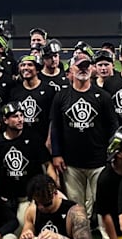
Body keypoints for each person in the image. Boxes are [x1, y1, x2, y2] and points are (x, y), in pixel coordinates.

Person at [49, 52, 117, 218]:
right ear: (71, 69)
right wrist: (56, 154)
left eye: (87, 66)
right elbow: (55, 128)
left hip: (99, 160)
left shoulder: (103, 96)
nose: (83, 70)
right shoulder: (61, 96)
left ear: (92, 69)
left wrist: (111, 154)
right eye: (79, 66)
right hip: (71, 162)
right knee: (75, 205)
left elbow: (113, 127)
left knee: (101, 203)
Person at [0, 101, 53, 231]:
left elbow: (48, 164)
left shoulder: (33, 138)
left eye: (21, 115)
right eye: (15, 116)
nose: (20, 119)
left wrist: (52, 187)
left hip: (28, 198)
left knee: (24, 230)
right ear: (5, 120)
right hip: (7, 197)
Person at [8, 54, 58, 136]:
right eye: (23, 65)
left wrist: (49, 139)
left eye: (30, 65)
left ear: (37, 69)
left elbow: (53, 119)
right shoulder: (14, 91)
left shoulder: (49, 90)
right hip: (21, 139)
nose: (25, 68)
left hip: (42, 138)